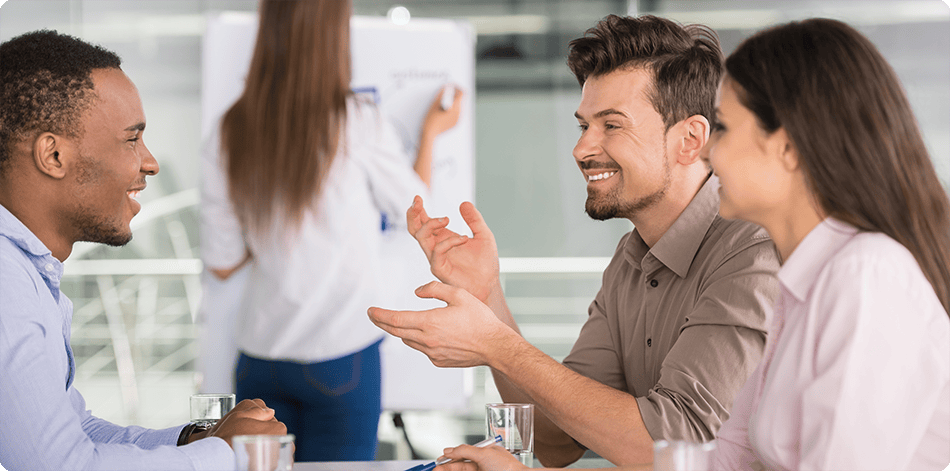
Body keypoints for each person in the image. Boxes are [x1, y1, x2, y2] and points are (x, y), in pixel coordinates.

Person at [432, 17, 950, 471]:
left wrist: (495, 343)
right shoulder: (804, 280)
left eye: (723, 127)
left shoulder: (859, 274)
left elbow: (675, 441)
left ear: (787, 147)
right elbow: (714, 461)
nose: (581, 147)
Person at [368, 14, 779, 467]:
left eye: (612, 125)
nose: (581, 149)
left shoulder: (752, 252)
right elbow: (556, 440)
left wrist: (496, 345)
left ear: (690, 140)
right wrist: (486, 296)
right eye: (585, 126)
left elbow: (670, 449)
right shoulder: (630, 259)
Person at [0, 30, 286, 471]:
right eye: (132, 139)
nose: (150, 162)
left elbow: (76, 433)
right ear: (52, 156)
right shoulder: (6, 284)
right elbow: (61, 466)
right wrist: (224, 453)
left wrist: (200, 438)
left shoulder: (25, 272)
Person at [199, 0, 462, 462]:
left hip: (261, 360)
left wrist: (274, 237)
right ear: (332, 37)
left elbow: (223, 263)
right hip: (344, 358)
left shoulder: (229, 129)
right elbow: (415, 210)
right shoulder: (356, 120)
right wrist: (432, 133)